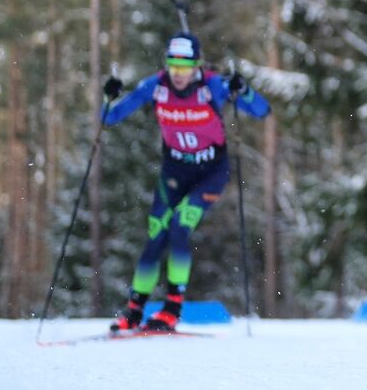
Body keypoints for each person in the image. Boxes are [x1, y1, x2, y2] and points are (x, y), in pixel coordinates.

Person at [99, 31, 270, 332]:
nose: (178, 74)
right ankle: (134, 310)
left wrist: (243, 90)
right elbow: (110, 118)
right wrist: (108, 95)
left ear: (197, 66)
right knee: (156, 237)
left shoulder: (213, 87)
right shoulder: (156, 86)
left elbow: (261, 111)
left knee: (179, 228)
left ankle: (172, 308)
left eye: (185, 67)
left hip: (210, 174)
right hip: (174, 173)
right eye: (173, 66)